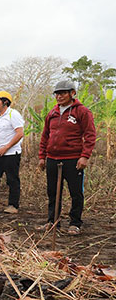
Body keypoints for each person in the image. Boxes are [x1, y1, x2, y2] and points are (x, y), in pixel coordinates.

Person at [37, 81, 96, 235]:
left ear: (72, 93)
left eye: (63, 93)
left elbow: (90, 135)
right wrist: (42, 157)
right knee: (53, 192)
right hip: (52, 159)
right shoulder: (52, 113)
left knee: (75, 192)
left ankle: (75, 223)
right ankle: (52, 222)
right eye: (57, 93)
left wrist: (84, 157)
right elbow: (45, 136)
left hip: (73, 159)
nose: (59, 96)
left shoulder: (82, 112)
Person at [0, 91, 24, 214]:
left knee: (12, 179)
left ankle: (13, 205)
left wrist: (7, 147)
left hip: (11, 153)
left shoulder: (13, 114)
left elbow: (20, 133)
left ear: (5, 102)